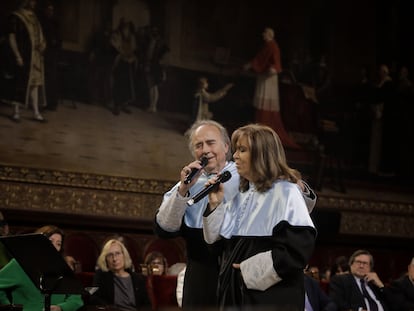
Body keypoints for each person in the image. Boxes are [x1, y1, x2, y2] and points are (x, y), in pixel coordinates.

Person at [154, 120, 316, 310]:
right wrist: (208, 203)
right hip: (223, 285)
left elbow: (296, 247)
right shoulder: (242, 189)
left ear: (225, 146)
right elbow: (217, 242)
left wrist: (247, 271)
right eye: (199, 145)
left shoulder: (277, 188)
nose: (236, 156)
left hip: (266, 293)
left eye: (210, 142)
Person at [202, 123, 316, 310]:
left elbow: (296, 252)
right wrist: (214, 205)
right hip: (234, 295)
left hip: (269, 298)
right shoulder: (241, 195)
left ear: (261, 154)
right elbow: (216, 246)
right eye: (236, 150)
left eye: (242, 150)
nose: (235, 156)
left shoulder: (286, 192)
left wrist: (248, 271)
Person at [0, 224, 84, 311]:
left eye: (58, 244)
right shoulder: (19, 264)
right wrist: (8, 306)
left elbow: (76, 300)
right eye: (50, 241)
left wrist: (60, 308)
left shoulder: (63, 268)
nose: (54, 247)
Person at [243, 27, 300, 149]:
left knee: (266, 104)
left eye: (265, 33)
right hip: (265, 76)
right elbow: (260, 58)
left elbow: (265, 61)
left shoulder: (272, 46)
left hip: (269, 77)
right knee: (262, 104)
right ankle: (259, 129)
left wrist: (252, 65)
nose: (263, 34)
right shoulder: (268, 45)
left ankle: (263, 131)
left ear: (269, 34)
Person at [7, 0, 47, 122]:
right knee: (19, 83)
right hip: (24, 56)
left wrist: (42, 45)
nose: (34, 2)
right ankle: (16, 112)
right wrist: (17, 55)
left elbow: (40, 36)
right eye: (31, 0)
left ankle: (35, 112)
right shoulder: (16, 16)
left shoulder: (34, 17)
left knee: (35, 84)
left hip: (35, 57)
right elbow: (11, 37)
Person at [89, 238, 150, 310]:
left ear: (124, 255)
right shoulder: (101, 276)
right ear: (105, 259)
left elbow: (147, 305)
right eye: (110, 255)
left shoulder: (138, 279)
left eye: (117, 253)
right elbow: (93, 298)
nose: (114, 259)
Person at [111, 18, 137, 115]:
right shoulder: (117, 35)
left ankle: (123, 104)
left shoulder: (131, 37)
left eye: (127, 29)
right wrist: (122, 54)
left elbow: (133, 50)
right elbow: (116, 47)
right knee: (118, 84)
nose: (126, 30)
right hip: (120, 63)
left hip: (128, 63)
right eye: (125, 28)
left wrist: (130, 57)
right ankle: (116, 105)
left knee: (127, 85)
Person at [39, 1, 61, 111]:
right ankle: (44, 103)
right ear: (45, 10)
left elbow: (59, 39)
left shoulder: (55, 23)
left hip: (53, 55)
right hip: (44, 53)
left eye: (52, 10)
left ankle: (53, 103)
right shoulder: (41, 23)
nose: (50, 12)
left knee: (52, 79)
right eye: (48, 9)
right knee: (44, 79)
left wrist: (55, 43)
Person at [144, 25, 169, 113]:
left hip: (156, 66)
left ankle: (153, 106)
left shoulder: (160, 43)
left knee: (154, 86)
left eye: (155, 31)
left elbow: (165, 54)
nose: (153, 33)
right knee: (151, 86)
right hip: (150, 65)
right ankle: (152, 105)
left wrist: (161, 63)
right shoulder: (150, 41)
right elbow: (148, 54)